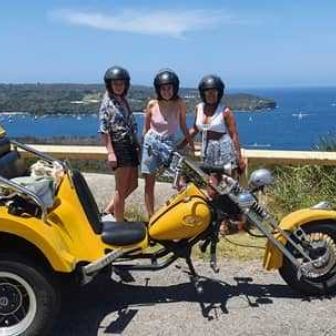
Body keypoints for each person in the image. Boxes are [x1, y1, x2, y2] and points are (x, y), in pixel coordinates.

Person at [181, 74, 246, 233]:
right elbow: (195, 129)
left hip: (223, 150)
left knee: (224, 187)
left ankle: (229, 221)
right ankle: (218, 220)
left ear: (219, 93)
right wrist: (182, 143)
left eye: (214, 92)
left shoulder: (225, 111)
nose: (211, 95)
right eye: (208, 92)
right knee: (211, 188)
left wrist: (238, 157)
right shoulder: (199, 108)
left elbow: (234, 134)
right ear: (203, 93)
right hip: (207, 149)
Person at [141, 69, 194, 218]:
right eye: (163, 88)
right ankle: (151, 217)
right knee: (149, 183)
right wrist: (142, 146)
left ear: (175, 87)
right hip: (151, 143)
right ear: (158, 89)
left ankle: (184, 215)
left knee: (180, 181)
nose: (166, 91)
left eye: (169, 88)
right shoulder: (152, 104)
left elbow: (183, 125)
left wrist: (190, 143)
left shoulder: (179, 103)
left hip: (169, 143)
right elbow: (146, 128)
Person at [98, 66, 139, 222]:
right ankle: (119, 222)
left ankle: (108, 211)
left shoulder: (122, 100)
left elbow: (130, 124)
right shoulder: (107, 103)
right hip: (119, 146)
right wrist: (111, 152)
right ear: (109, 84)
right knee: (120, 190)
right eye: (115, 84)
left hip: (129, 145)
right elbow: (104, 129)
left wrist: (136, 143)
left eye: (121, 83)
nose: (118, 86)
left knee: (133, 183)